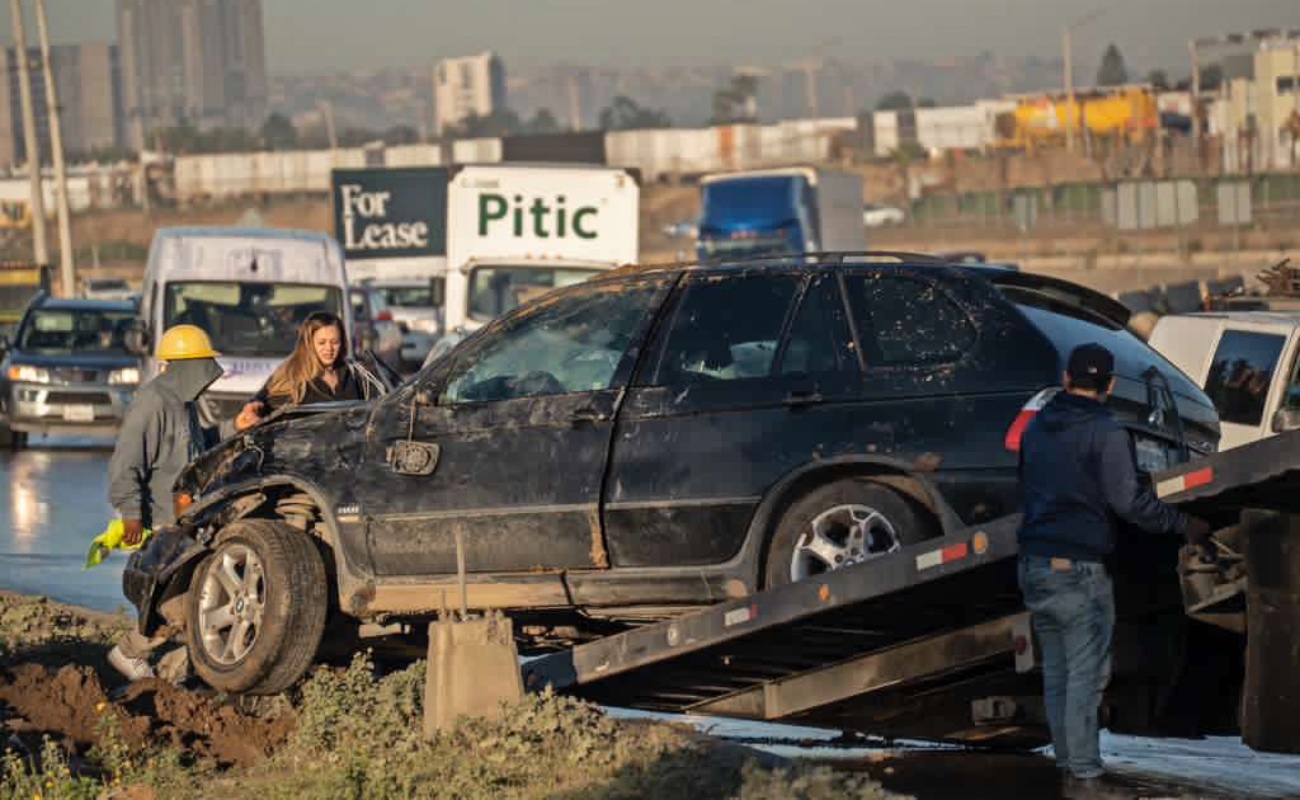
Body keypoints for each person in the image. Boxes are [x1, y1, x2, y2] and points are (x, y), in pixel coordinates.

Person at [1017, 343, 1211, 799]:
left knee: (1059, 673)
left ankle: (1069, 768)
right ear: (1108, 385)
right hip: (1080, 569)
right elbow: (1128, 503)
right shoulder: (1106, 431)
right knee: (1086, 675)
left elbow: (1024, 481)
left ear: (1066, 379)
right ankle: (1084, 778)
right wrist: (1184, 525)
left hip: (1035, 564)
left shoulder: (1038, 425)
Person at [106, 324, 229, 681]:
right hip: (160, 523)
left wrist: (236, 423)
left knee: (196, 602)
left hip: (184, 521)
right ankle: (129, 655)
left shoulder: (185, 403)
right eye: (205, 366)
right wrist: (131, 515)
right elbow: (126, 463)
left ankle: (172, 674)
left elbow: (200, 446)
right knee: (178, 606)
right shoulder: (154, 401)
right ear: (187, 366)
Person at [234, 311, 384, 431]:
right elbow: (259, 405)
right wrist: (251, 412)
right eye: (321, 343)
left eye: (334, 342)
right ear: (308, 343)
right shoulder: (291, 374)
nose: (329, 349)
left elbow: (379, 407)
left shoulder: (353, 372)